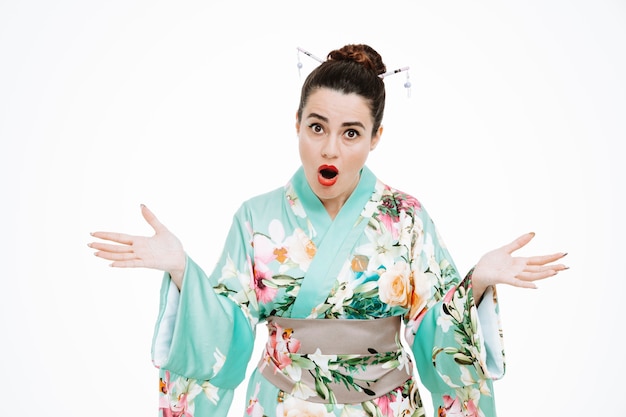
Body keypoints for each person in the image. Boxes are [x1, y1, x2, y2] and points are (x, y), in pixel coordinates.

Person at [88, 44, 567, 417]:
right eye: (317, 128)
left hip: (385, 407)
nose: (330, 149)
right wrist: (181, 270)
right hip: (282, 403)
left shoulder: (407, 218)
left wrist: (478, 281)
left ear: (376, 137)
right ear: (296, 124)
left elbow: (433, 336)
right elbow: (227, 333)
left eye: (351, 133)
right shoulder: (256, 217)